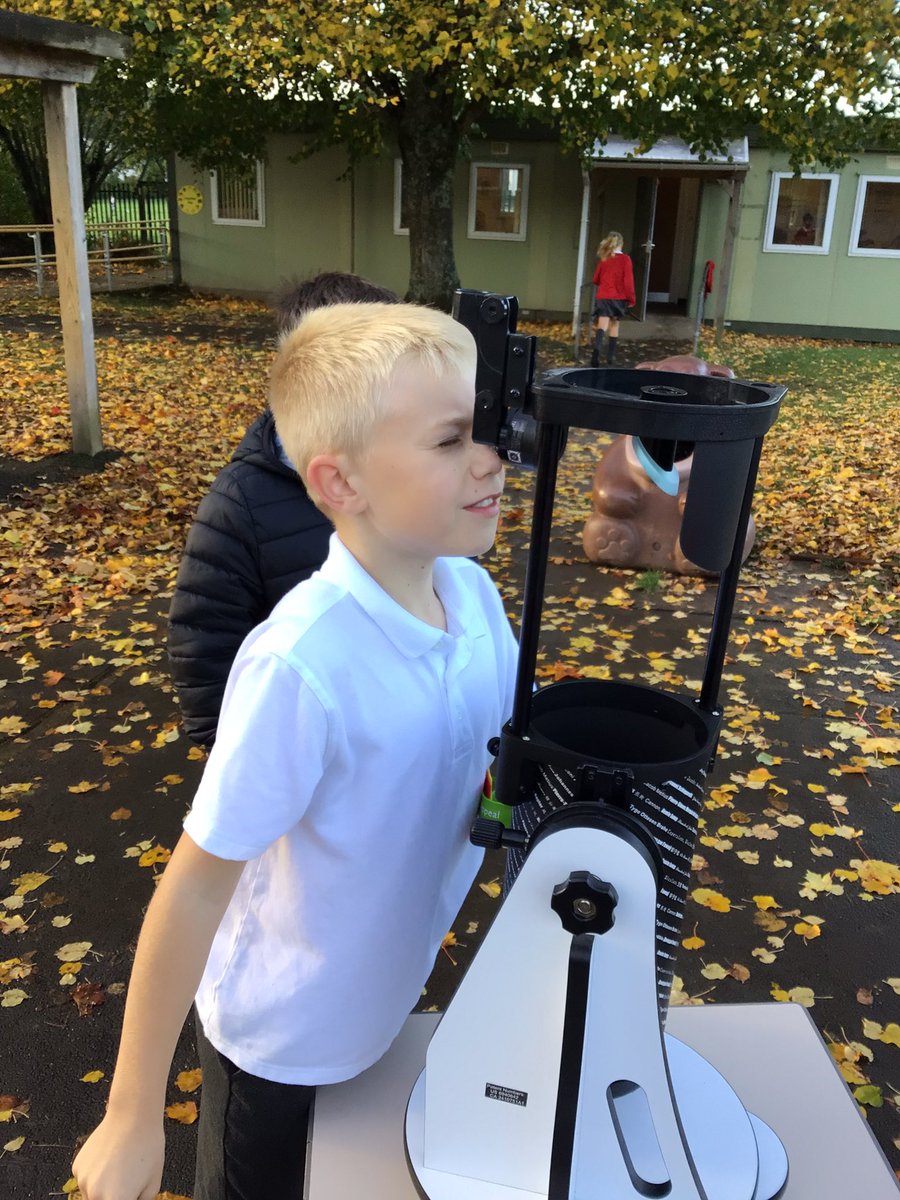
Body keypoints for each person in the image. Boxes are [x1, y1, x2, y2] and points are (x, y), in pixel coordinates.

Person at [72, 301, 518, 1200]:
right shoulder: (300, 667)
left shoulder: (475, 604)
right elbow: (197, 883)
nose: (493, 458)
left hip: (386, 997)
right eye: (450, 441)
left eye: (491, 428)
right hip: (279, 1043)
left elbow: (486, 771)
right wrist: (131, 1111)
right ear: (340, 482)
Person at [167, 271, 400, 750]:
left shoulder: (402, 473)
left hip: (396, 739)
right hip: (303, 757)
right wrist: (242, 766)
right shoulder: (241, 504)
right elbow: (205, 653)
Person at [590, 231, 635, 367]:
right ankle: (610, 357)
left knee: (602, 325)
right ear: (621, 244)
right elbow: (628, 281)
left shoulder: (604, 258)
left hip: (603, 296)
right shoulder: (625, 259)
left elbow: (595, 279)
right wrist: (631, 298)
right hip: (618, 298)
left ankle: (596, 354)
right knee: (614, 324)